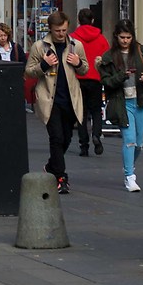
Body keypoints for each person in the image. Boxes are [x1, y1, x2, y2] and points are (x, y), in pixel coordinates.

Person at [24, 10, 92, 195]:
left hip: (71, 100)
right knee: (56, 138)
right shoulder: (40, 47)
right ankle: (60, 177)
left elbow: (85, 69)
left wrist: (78, 63)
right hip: (49, 99)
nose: (61, 34)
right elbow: (29, 71)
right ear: (50, 30)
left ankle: (51, 166)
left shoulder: (75, 46)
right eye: (57, 31)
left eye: (63, 30)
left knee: (68, 138)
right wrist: (44, 65)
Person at [103, 23, 143, 192]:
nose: (125, 41)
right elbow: (106, 81)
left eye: (128, 37)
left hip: (141, 101)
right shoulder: (109, 56)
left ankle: (129, 165)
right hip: (122, 102)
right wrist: (121, 76)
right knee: (129, 140)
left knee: (138, 144)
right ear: (116, 36)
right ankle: (129, 176)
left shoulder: (142, 51)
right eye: (122, 37)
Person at [70, 6, 110, 156]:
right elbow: (106, 58)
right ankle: (96, 134)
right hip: (95, 78)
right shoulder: (101, 38)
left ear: (79, 21)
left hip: (79, 78)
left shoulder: (73, 38)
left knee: (81, 112)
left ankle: (83, 145)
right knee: (96, 111)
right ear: (93, 20)